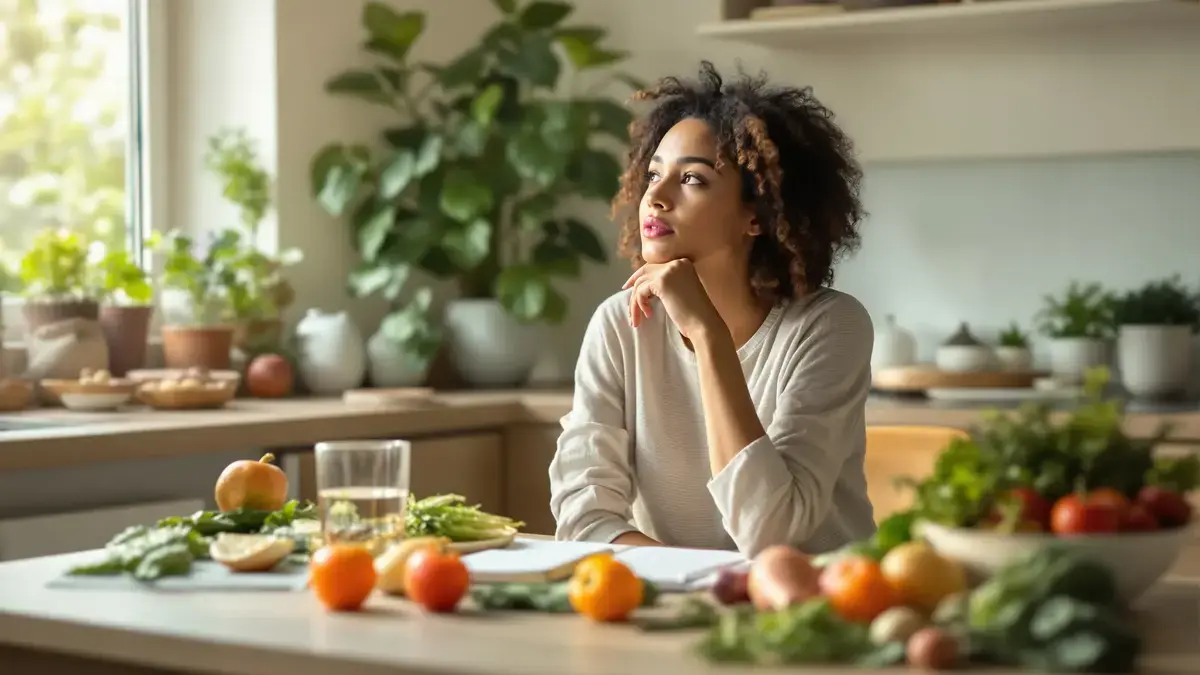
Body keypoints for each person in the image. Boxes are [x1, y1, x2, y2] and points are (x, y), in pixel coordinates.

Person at [548, 61, 876, 557]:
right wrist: (687, 583)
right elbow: (582, 518)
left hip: (812, 609)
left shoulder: (829, 326)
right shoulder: (620, 324)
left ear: (755, 215)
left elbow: (771, 534)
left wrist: (707, 335)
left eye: (693, 180)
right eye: (654, 174)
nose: (654, 197)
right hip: (675, 607)